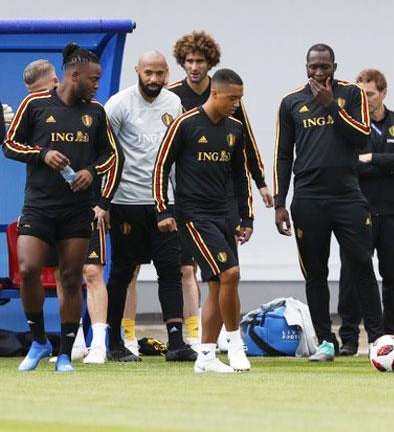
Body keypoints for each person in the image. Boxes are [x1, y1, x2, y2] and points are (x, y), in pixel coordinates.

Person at [3, 44, 120, 372]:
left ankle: (66, 353)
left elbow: (111, 156)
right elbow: (10, 144)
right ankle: (39, 341)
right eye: (93, 79)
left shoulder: (95, 112)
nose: (97, 85)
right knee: (28, 270)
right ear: (74, 75)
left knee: (70, 278)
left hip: (76, 209)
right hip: (39, 205)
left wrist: (90, 173)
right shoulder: (35, 104)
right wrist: (42, 154)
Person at [274, 43, 384, 361]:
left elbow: (363, 135)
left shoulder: (351, 95)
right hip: (307, 198)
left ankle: (378, 340)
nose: (319, 73)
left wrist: (331, 106)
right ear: (306, 67)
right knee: (315, 273)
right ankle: (325, 341)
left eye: (325, 66)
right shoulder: (291, 102)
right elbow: (283, 154)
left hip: (347, 196)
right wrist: (280, 202)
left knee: (362, 265)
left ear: (335, 66)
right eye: (313, 67)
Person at [167, 31, 270, 348]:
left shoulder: (230, 101)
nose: (194, 67)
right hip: (186, 199)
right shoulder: (173, 98)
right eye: (189, 61)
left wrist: (260, 182)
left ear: (209, 65)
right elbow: (163, 154)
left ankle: (211, 343)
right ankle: (197, 334)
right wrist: (164, 204)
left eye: (199, 61)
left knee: (220, 276)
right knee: (189, 269)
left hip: (221, 200)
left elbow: (245, 146)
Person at [153, 68, 253, 373]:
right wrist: (163, 209)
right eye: (232, 98)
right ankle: (235, 345)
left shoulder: (235, 129)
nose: (236, 103)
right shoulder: (185, 124)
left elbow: (240, 176)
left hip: (225, 215)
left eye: (240, 98)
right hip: (194, 215)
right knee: (231, 273)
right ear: (215, 93)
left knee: (217, 283)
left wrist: (246, 216)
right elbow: (161, 167)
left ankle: (206, 356)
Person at [105, 51, 196, 362]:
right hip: (126, 202)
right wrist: (102, 202)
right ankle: (114, 344)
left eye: (160, 73)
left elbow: (181, 151)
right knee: (121, 273)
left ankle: (176, 342)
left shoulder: (173, 104)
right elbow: (103, 153)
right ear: (137, 71)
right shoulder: (118, 104)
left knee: (171, 271)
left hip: (163, 205)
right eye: (148, 73)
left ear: (167, 73)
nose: (154, 79)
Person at [337, 68, 394, 357]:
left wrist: (372, 158)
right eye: (360, 94)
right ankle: (348, 337)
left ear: (383, 93)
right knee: (353, 275)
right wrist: (391, 160)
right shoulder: (351, 126)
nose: (365, 99)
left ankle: (393, 338)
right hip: (358, 211)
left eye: (369, 94)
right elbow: (349, 165)